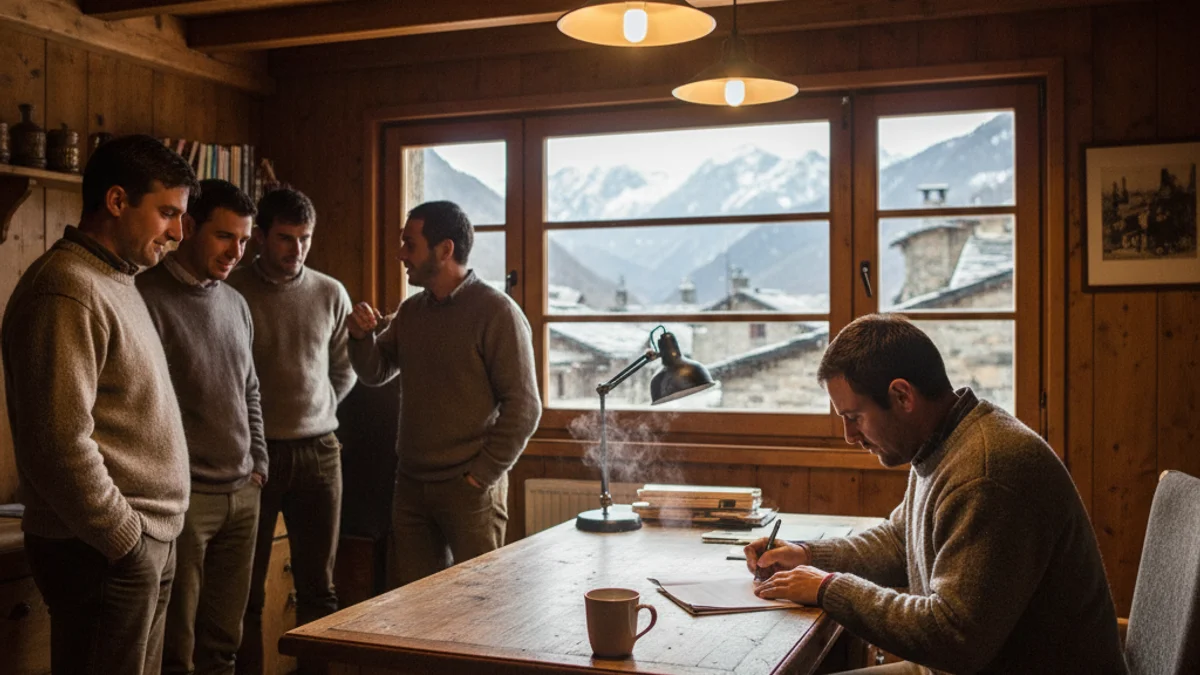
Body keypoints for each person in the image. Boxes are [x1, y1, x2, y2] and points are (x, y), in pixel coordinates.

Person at [744, 314, 1125, 675]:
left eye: (854, 417)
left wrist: (829, 588)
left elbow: (953, 636)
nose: (850, 436)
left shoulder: (986, 473)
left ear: (902, 396)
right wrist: (808, 555)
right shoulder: (943, 442)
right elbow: (899, 541)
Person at [1, 134, 198, 675]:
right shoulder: (66, 288)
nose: (179, 233)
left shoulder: (115, 279)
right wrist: (125, 540)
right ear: (116, 201)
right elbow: (57, 443)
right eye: (167, 213)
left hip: (136, 540)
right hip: (101, 548)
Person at [346, 200, 540, 586]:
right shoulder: (412, 312)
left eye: (410, 244)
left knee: (480, 606)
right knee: (414, 611)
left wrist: (479, 477)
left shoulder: (496, 312)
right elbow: (374, 372)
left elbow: (525, 407)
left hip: (469, 491)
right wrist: (358, 337)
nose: (401, 254)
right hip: (410, 487)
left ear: (445, 249)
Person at [137, 179, 266, 675]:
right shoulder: (146, 298)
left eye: (244, 241)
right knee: (177, 646)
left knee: (222, 645)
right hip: (184, 498)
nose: (236, 252)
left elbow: (250, 389)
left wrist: (258, 463)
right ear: (189, 227)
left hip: (242, 493)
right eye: (224, 237)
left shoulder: (235, 304)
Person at [227, 186, 356, 674]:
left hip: (321, 452)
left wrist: (318, 410)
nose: (296, 249)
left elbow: (344, 370)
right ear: (260, 236)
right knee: (246, 590)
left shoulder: (329, 292)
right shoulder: (232, 289)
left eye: (305, 238)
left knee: (318, 588)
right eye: (285, 238)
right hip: (252, 456)